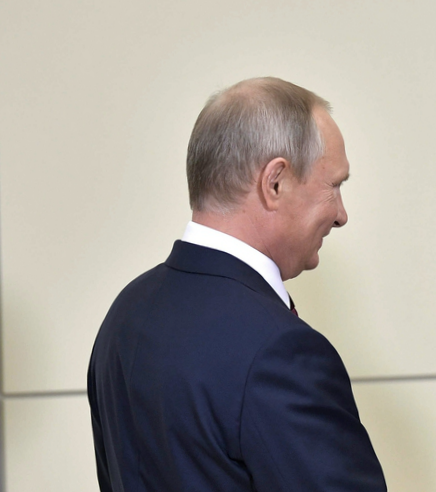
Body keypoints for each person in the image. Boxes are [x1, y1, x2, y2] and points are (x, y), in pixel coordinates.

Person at [88, 77, 386, 491]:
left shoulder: (126, 313)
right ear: (275, 182)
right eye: (333, 186)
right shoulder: (282, 353)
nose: (341, 214)